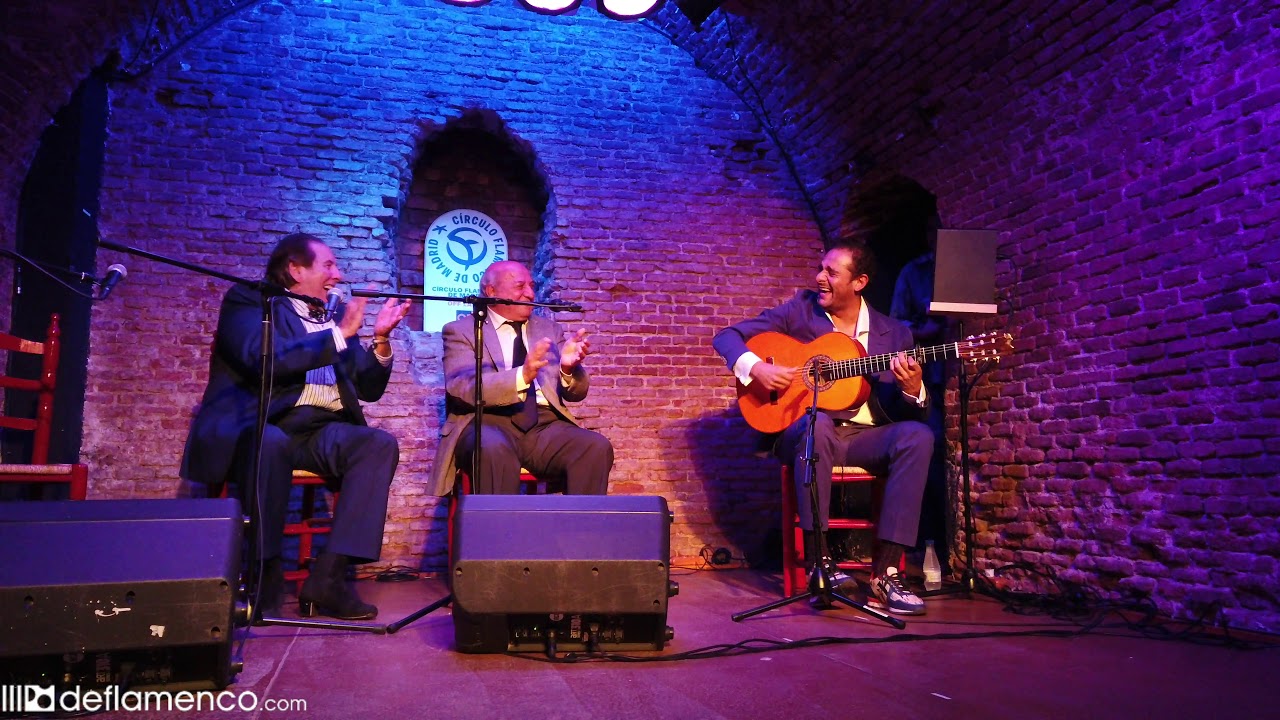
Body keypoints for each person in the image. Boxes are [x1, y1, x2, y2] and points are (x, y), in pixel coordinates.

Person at [181, 232, 411, 621]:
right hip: (265, 421)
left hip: (322, 430)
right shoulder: (252, 301)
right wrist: (338, 336)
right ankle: (262, 571)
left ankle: (330, 577)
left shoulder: (333, 315)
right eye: (328, 265)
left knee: (377, 445)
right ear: (295, 269)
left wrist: (381, 340)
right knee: (270, 444)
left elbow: (368, 388)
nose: (337, 275)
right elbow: (262, 358)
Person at [712, 239, 933, 615]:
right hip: (804, 432)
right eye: (821, 268)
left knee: (918, 436)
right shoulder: (800, 312)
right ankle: (821, 564)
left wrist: (914, 391)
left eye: (831, 272)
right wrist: (757, 368)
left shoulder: (895, 335)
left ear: (859, 282)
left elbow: (903, 411)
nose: (820, 278)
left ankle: (888, 572)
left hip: (865, 438)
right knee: (819, 425)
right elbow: (726, 337)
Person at [428, 260, 611, 497]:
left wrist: (568, 369)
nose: (530, 293)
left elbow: (577, 393)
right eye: (519, 286)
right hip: (487, 422)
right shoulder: (462, 330)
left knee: (594, 447)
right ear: (491, 291)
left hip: (544, 425)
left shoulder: (548, 330)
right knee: (491, 449)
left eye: (531, 286)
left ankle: (578, 534)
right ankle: (499, 534)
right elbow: (463, 387)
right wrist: (522, 376)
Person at [890, 222, 952, 576]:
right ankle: (925, 545)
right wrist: (924, 330)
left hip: (950, 375)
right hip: (922, 374)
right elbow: (896, 326)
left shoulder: (959, 270)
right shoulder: (913, 272)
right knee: (927, 452)